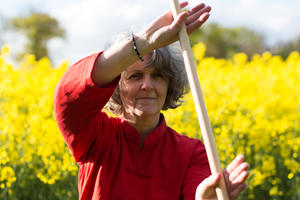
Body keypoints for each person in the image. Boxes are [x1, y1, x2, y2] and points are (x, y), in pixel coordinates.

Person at [54, 1, 249, 199]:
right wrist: (145, 40)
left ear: (169, 85)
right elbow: (68, 95)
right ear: (117, 86)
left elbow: (198, 194)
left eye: (157, 76)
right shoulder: (96, 136)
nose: (147, 85)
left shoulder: (191, 153)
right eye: (135, 76)